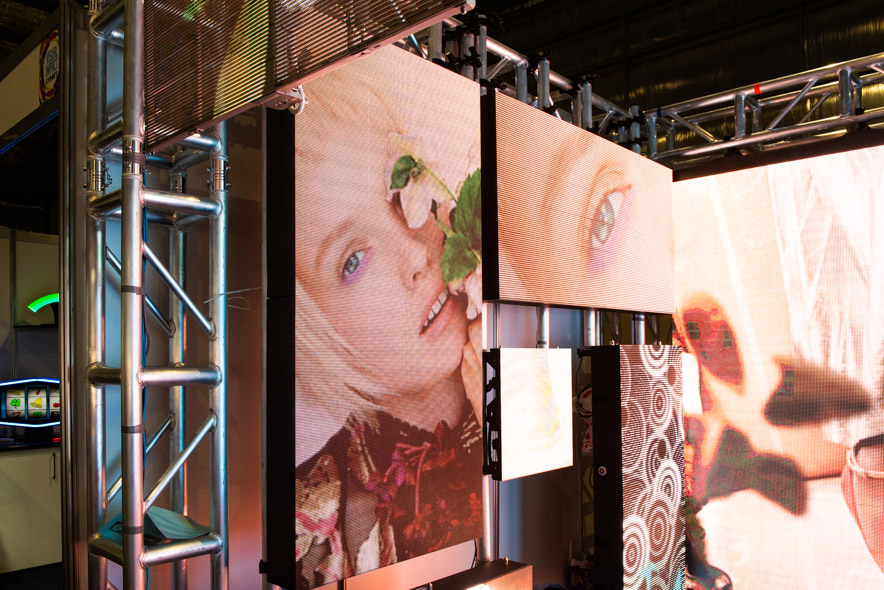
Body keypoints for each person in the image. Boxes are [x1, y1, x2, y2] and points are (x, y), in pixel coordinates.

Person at [293, 46, 483, 589]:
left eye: (401, 192)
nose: (416, 253)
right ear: (312, 326)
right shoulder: (312, 523)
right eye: (354, 260)